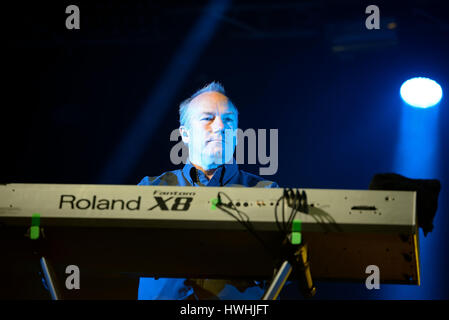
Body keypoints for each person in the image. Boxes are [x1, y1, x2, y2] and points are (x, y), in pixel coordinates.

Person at [138, 81, 279, 300]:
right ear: (185, 135)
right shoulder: (152, 188)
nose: (221, 126)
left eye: (229, 120)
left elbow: (289, 266)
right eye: (208, 118)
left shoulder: (267, 191)